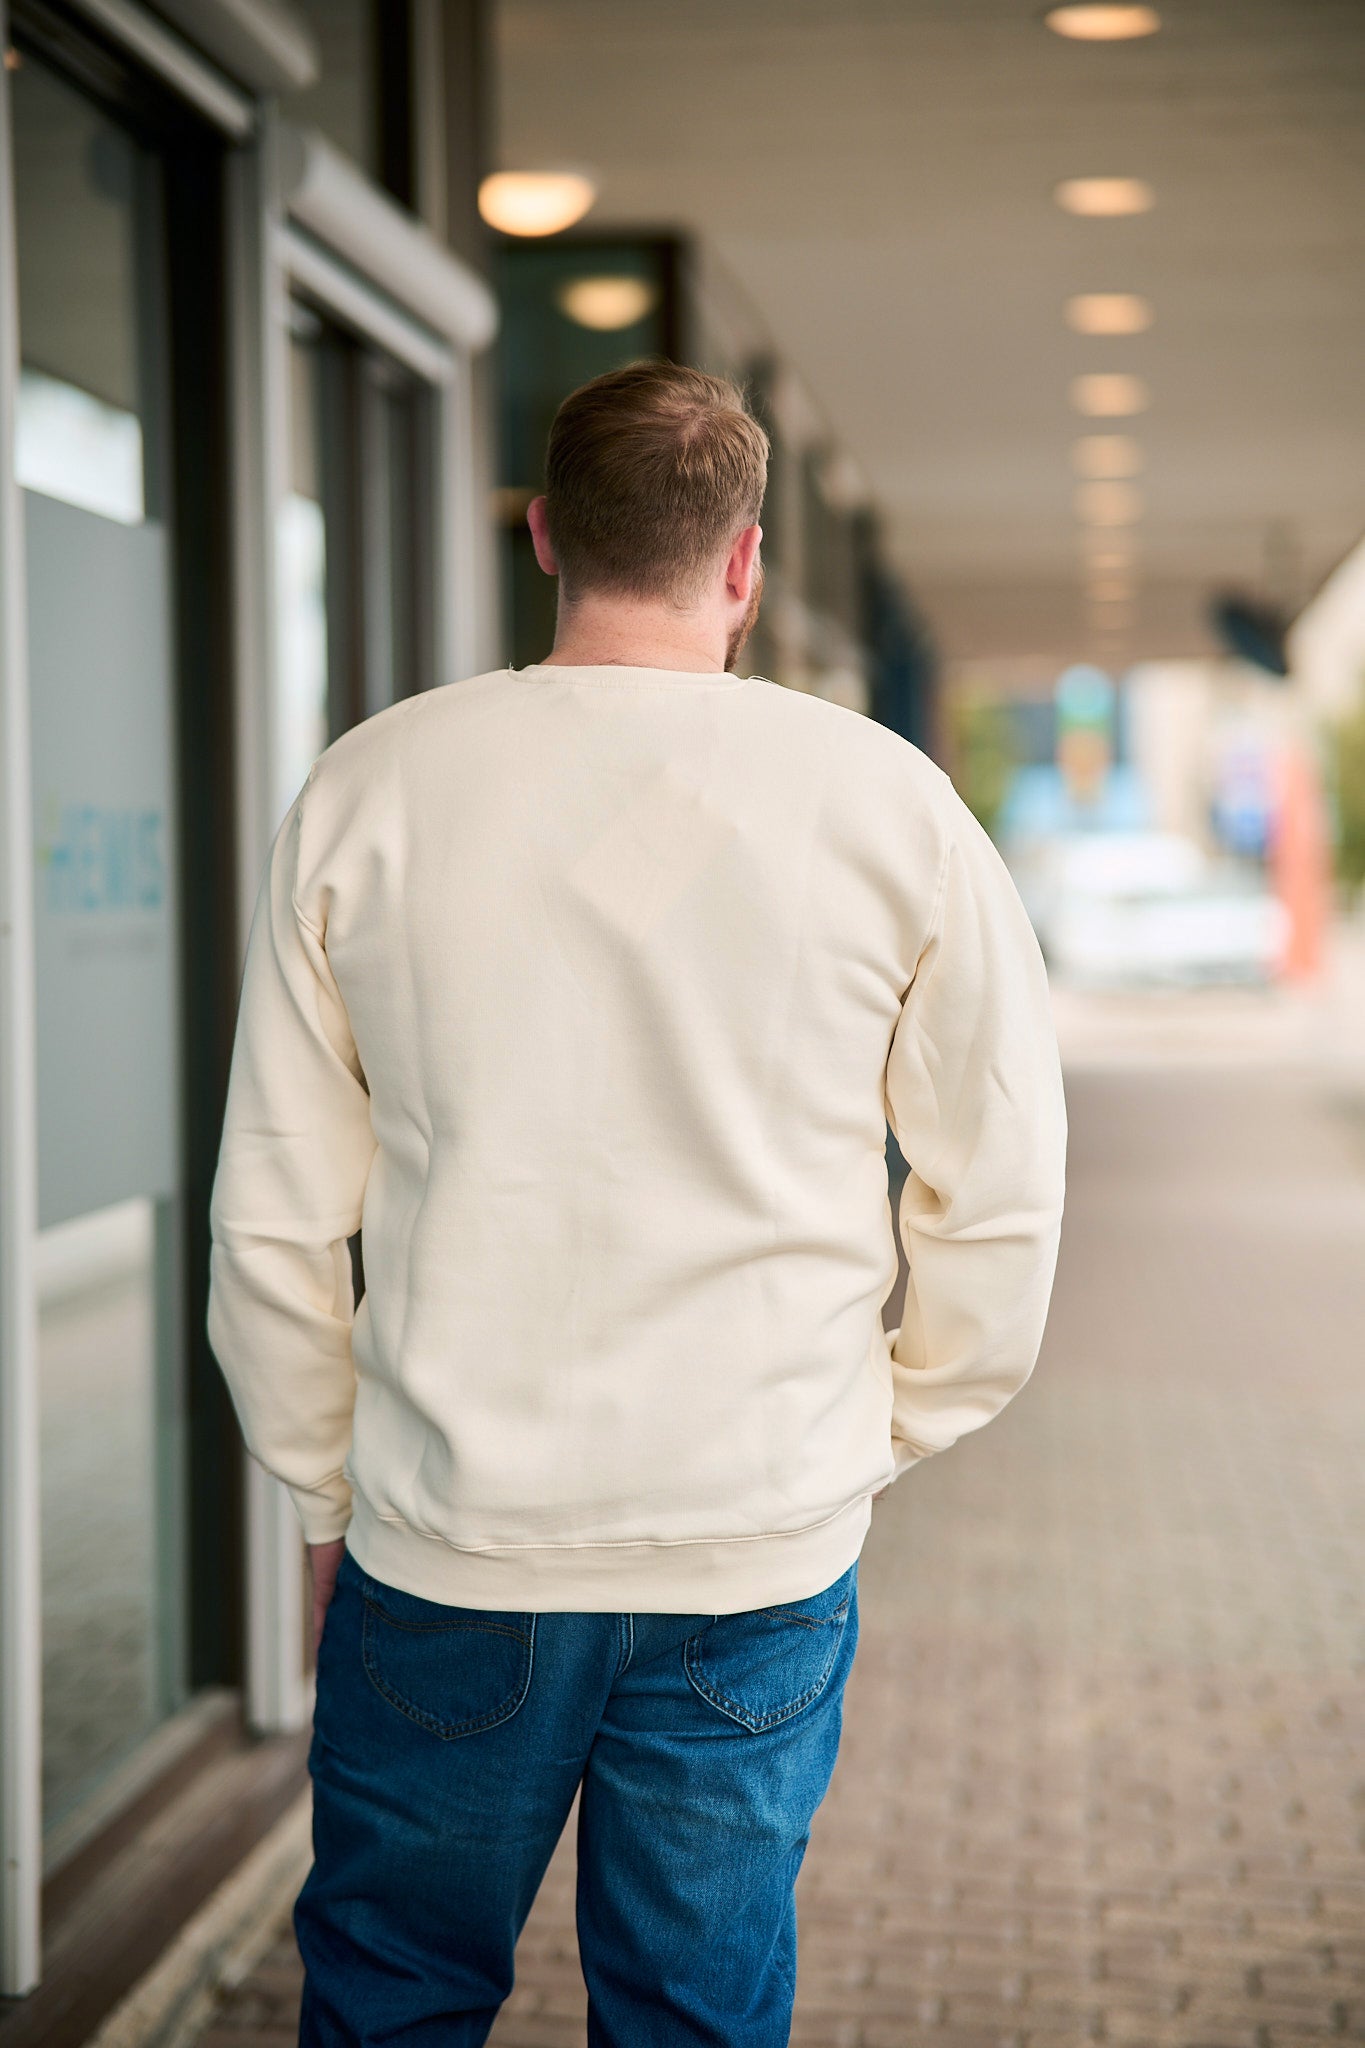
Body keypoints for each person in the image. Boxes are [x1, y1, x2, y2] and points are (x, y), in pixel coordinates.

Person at [207, 361, 1067, 2047]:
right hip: (756, 1535)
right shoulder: (890, 805)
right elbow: (1003, 1186)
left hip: (450, 1541)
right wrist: (881, 1428)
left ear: (543, 536)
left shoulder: (371, 792)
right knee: (693, 2014)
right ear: (743, 562)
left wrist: (323, 1489)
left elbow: (275, 1213)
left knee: (390, 1998)